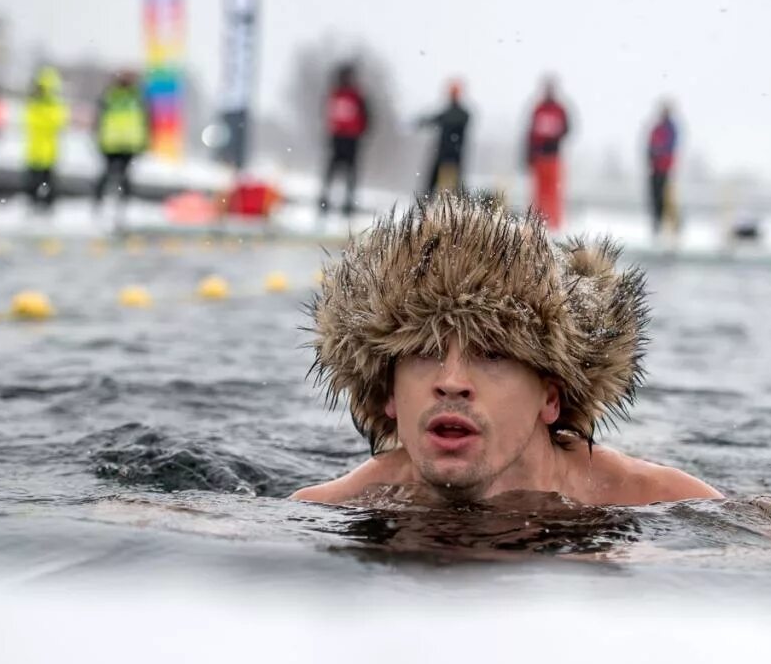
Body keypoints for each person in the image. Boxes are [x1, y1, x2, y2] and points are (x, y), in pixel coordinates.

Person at [292, 192, 722, 507]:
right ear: (388, 394)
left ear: (550, 398)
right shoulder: (331, 508)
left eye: (492, 353)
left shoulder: (658, 502)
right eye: (425, 351)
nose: (452, 383)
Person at [93, 72, 148, 217]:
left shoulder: (133, 97)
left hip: (126, 143)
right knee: (110, 175)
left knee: (123, 176)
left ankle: (121, 205)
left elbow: (145, 121)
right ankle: (103, 204)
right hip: (113, 143)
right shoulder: (114, 96)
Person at [319, 63, 370, 218]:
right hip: (337, 138)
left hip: (351, 140)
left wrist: (359, 133)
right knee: (332, 171)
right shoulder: (335, 94)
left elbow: (366, 116)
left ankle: (348, 203)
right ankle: (325, 200)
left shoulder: (357, 96)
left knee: (350, 172)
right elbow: (326, 114)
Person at [525, 77, 570, 230]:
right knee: (539, 192)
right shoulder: (538, 109)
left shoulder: (560, 110)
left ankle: (554, 224)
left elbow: (567, 129)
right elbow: (530, 133)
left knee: (554, 192)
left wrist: (554, 137)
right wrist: (529, 154)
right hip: (539, 157)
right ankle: (538, 223)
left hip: (553, 157)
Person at [23, 67, 68, 211]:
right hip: (34, 151)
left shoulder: (53, 105)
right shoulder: (34, 103)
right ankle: (33, 205)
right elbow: (30, 121)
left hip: (48, 151)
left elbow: (56, 123)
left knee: (48, 182)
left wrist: (42, 119)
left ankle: (47, 207)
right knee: (32, 182)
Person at [417, 80, 470, 195]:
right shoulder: (449, 112)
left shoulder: (461, 114)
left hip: (453, 156)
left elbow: (444, 118)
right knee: (433, 185)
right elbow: (436, 119)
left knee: (453, 188)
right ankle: (426, 205)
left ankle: (452, 208)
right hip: (443, 154)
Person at [648, 101, 679, 238]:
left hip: (665, 168)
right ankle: (657, 224)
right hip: (655, 168)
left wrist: (658, 152)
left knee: (666, 198)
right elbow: (650, 146)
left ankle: (673, 225)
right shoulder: (657, 128)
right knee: (655, 197)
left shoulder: (671, 128)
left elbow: (669, 146)